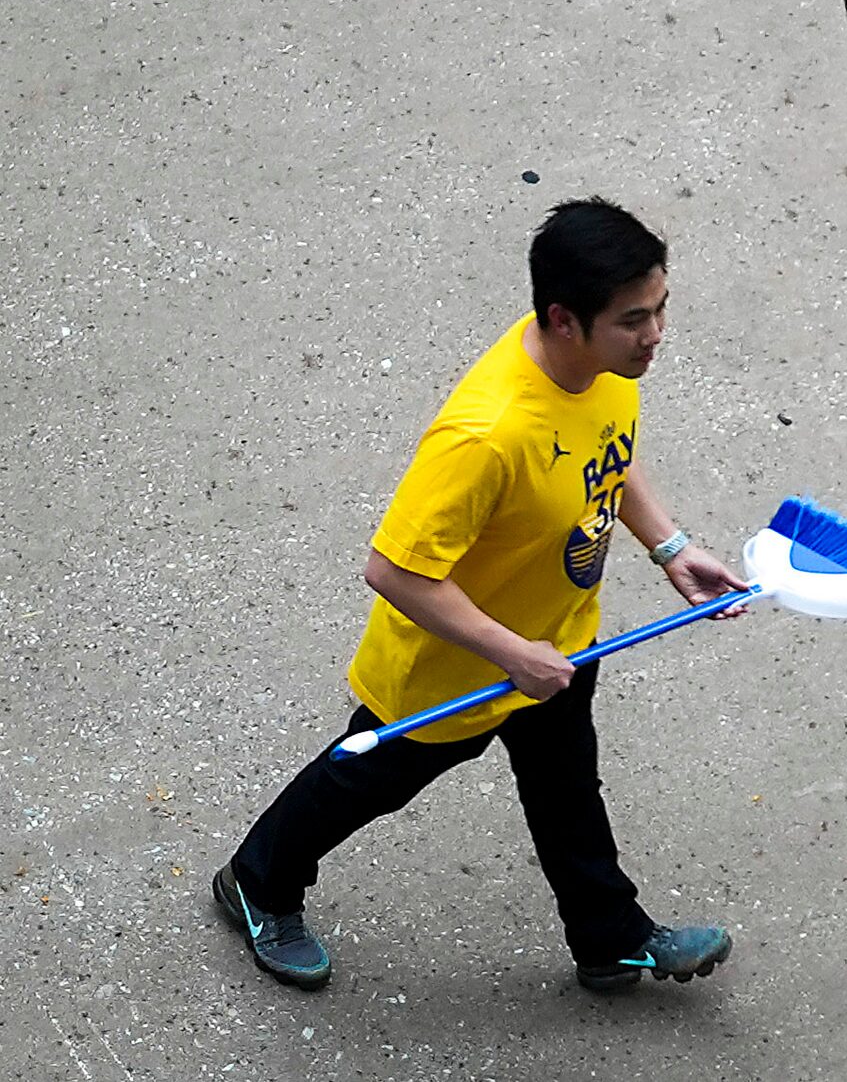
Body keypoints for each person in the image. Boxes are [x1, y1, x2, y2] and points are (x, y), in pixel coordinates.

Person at [215, 198, 744, 993]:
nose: (657, 334)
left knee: (568, 793)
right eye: (635, 319)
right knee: (364, 783)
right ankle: (255, 883)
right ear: (565, 320)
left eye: (661, 308)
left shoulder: (599, 368)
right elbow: (394, 571)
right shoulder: (486, 435)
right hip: (456, 669)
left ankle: (611, 939)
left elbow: (611, 453)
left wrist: (669, 547)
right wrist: (509, 652)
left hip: (558, 641)